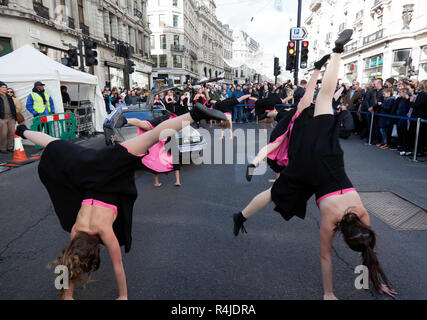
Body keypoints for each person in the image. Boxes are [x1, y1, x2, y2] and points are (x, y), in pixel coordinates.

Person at [233, 30, 396, 300]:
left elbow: (275, 142)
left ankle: (241, 216)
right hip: (316, 164)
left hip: (318, 155)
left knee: (326, 95)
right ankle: (337, 52)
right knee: (325, 96)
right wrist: (328, 294)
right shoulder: (332, 223)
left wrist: (256, 161)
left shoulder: (294, 114)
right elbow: (329, 257)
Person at [15, 103, 227, 300]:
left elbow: (117, 265)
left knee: (152, 136)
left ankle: (193, 115)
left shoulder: (105, 232)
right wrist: (66, 296)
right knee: (54, 144)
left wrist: (123, 296)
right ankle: (22, 131)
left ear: (95, 253)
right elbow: (68, 260)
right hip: (89, 170)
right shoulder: (76, 230)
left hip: (112, 173)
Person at [246, 54, 331, 183]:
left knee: (276, 148)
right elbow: (315, 93)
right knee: (289, 154)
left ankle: (254, 163)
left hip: (291, 126)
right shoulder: (310, 108)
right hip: (298, 128)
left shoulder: (295, 110)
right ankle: (317, 68)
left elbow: (279, 112)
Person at [127, 114, 182, 187]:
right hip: (168, 139)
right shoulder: (170, 121)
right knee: (175, 159)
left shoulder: (158, 123)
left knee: (154, 159)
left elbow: (141, 124)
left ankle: (157, 182)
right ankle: (177, 181)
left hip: (162, 137)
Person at [0, 82, 18, 153]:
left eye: (5, 87)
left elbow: (13, 107)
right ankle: (2, 148)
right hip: (2, 118)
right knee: (3, 134)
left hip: (11, 118)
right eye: (3, 87)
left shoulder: (9, 97)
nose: (5, 89)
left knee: (11, 133)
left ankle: (10, 147)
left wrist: (15, 118)